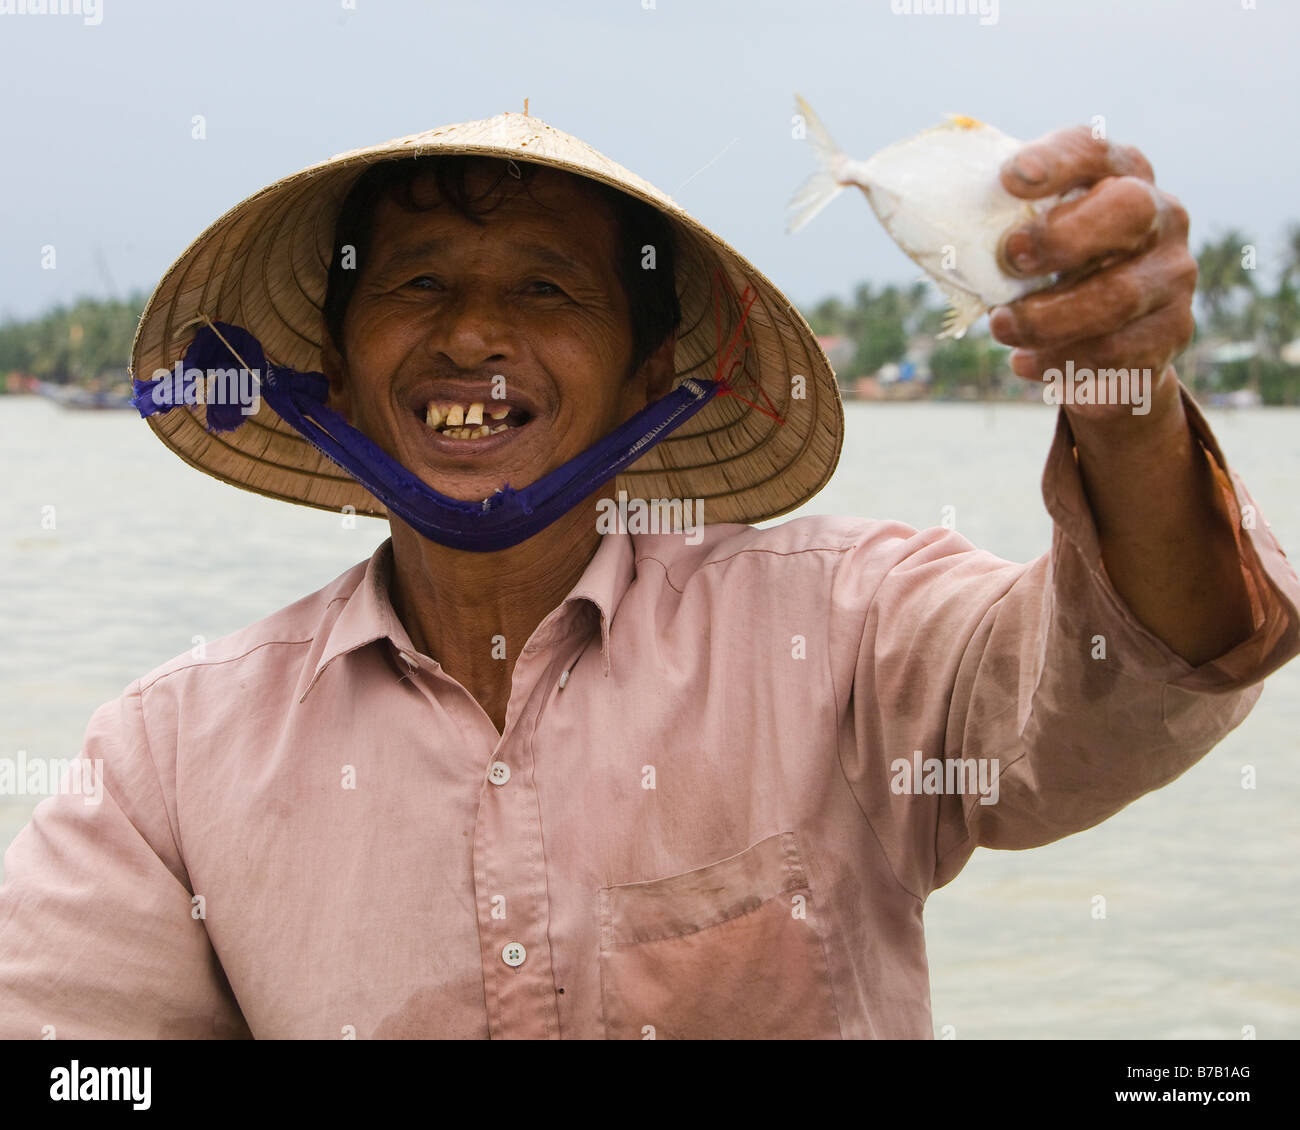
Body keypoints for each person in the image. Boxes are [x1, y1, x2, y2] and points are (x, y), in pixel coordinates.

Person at [1, 111, 1296, 1039]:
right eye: (420, 283)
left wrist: (1127, 406)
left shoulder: (838, 629)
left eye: (548, 287)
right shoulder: (170, 758)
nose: (472, 334)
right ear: (333, 370)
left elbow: (1141, 666)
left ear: (646, 376)